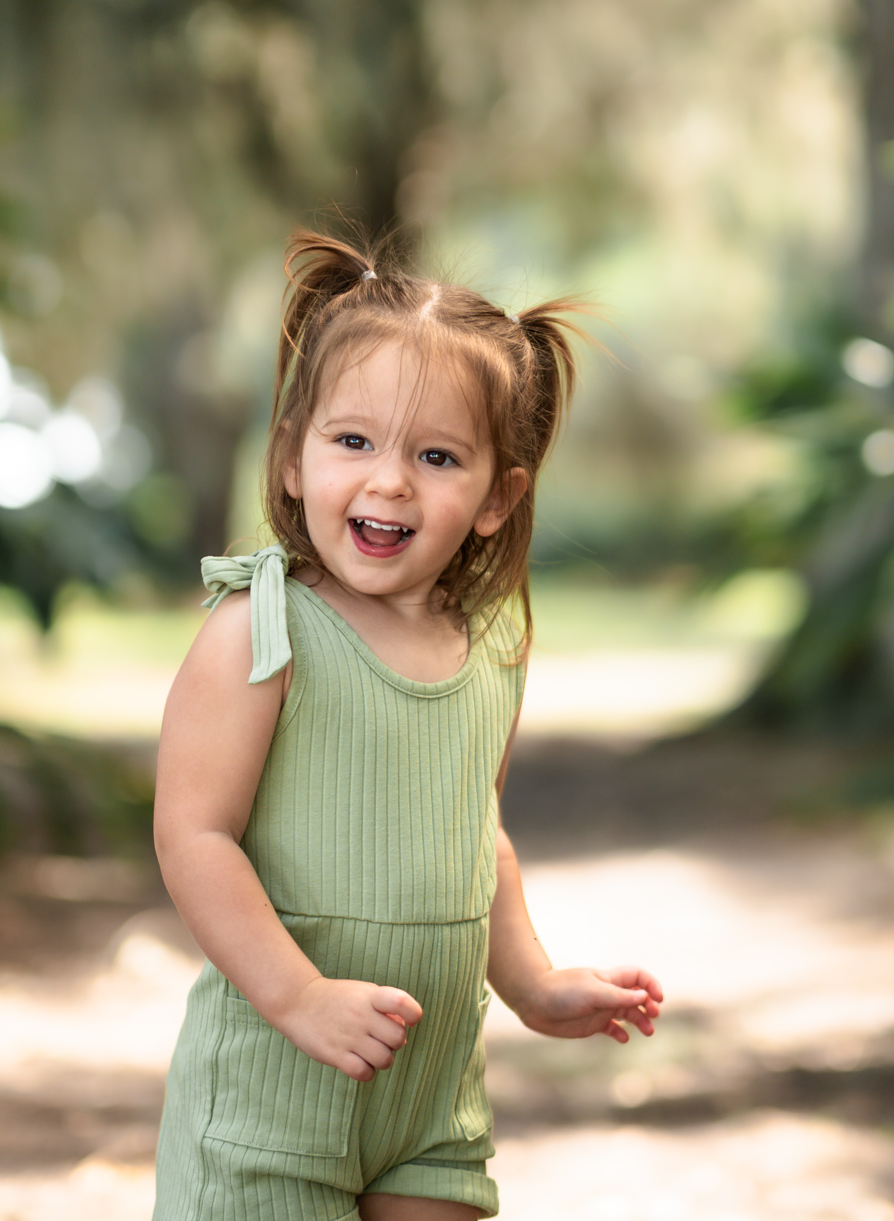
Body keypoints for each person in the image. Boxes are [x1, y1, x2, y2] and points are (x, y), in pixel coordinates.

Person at [152, 234, 665, 1220]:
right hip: (270, 1102)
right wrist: (301, 999)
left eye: (436, 457)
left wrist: (533, 982)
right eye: (353, 443)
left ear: (494, 499)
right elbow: (194, 836)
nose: (389, 482)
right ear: (293, 456)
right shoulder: (259, 632)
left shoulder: (489, 650)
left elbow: (480, 837)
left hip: (429, 1101)